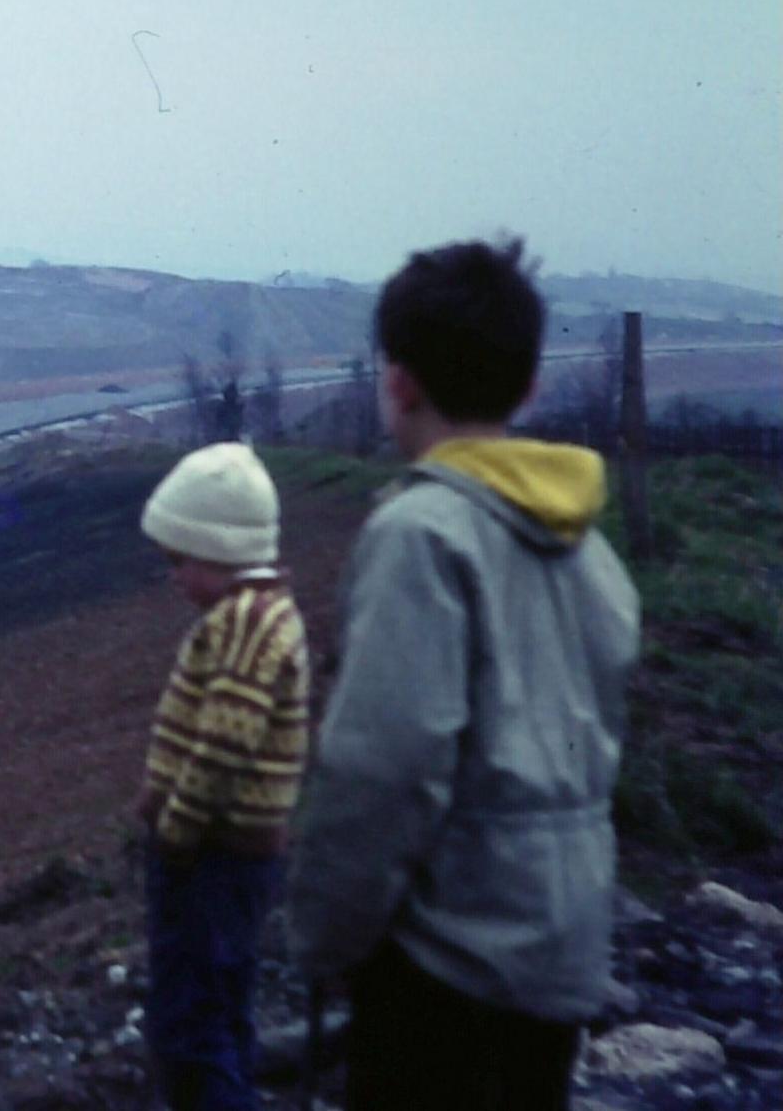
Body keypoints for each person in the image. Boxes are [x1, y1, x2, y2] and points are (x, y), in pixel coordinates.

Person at [289, 237, 640, 1110]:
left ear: (396, 381)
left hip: (447, 962)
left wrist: (325, 935)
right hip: (561, 952)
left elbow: (381, 768)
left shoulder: (422, 535)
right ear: (526, 387)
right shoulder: (588, 547)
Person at [134, 441, 310, 1111]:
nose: (174, 577)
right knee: (219, 1003)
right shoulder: (261, 617)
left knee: (192, 1020)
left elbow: (224, 745)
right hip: (227, 856)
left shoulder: (245, 624)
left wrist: (175, 828)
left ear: (222, 553)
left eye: (181, 560)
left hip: (210, 854)